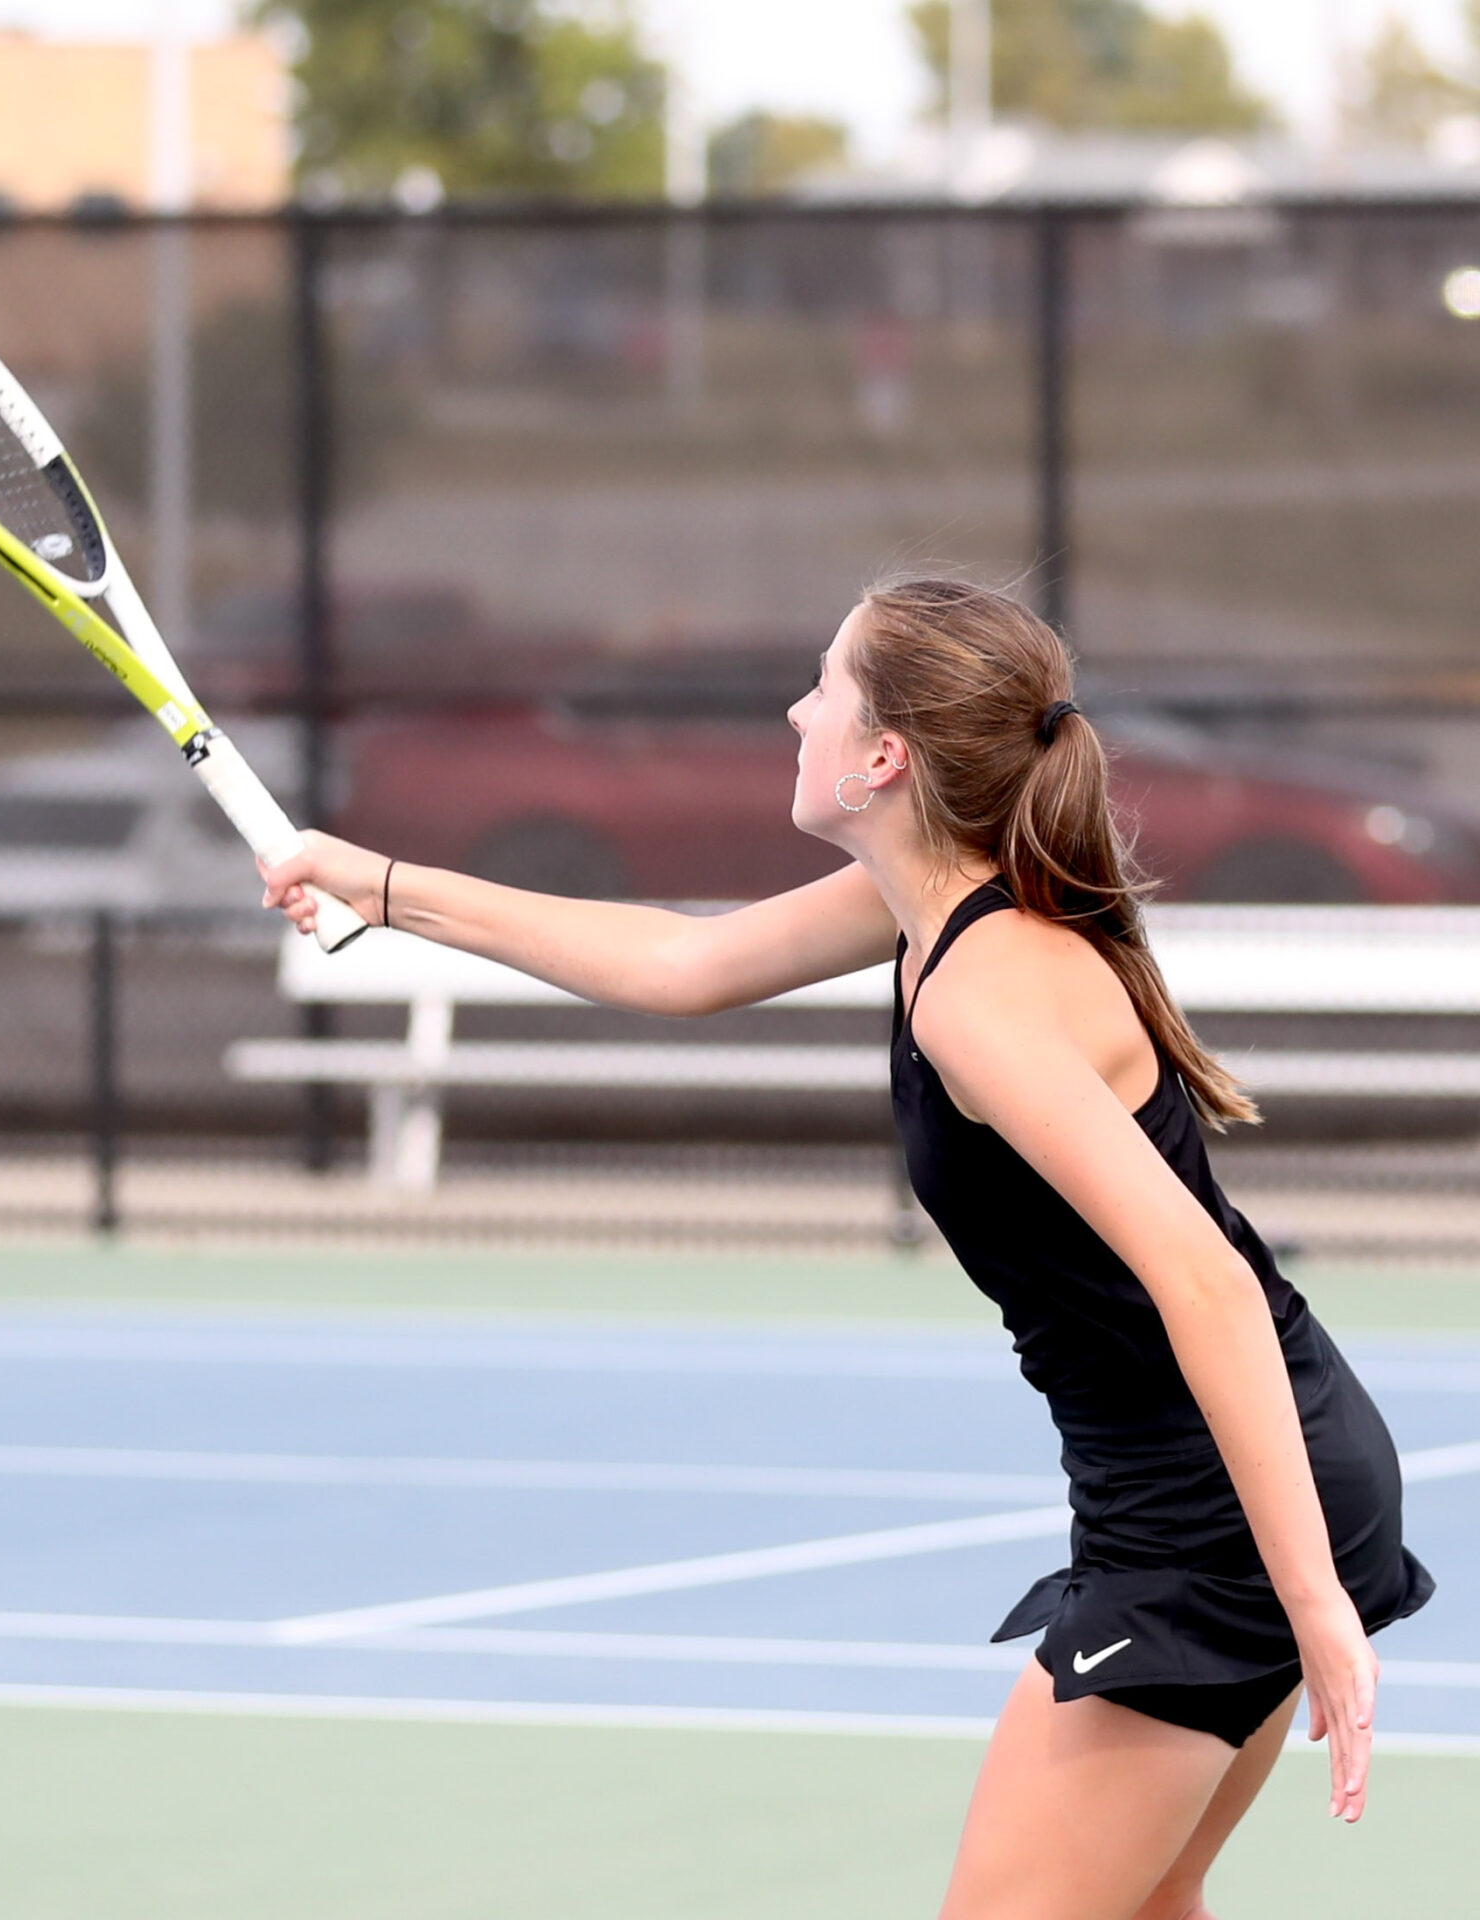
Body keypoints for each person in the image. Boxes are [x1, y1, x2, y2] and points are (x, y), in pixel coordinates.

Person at [261, 577, 1431, 1920]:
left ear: (884, 759)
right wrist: (381, 887)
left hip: (1217, 1520)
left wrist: (1312, 1603)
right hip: (1247, 1480)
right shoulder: (929, 908)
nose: (793, 710)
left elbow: (1206, 1285)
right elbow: (680, 966)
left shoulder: (981, 998)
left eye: (823, 686)